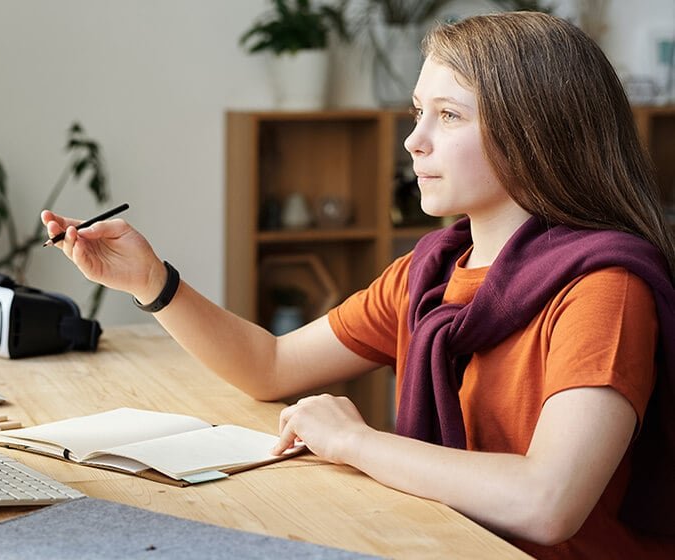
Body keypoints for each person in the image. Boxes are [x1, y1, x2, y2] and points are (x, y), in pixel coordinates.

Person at [41, 11, 675, 559]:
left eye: (448, 116)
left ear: (537, 134)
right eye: (419, 112)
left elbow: (548, 502)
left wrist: (355, 442)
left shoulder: (604, 291)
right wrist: (151, 281)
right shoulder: (430, 274)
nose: (414, 140)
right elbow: (271, 365)